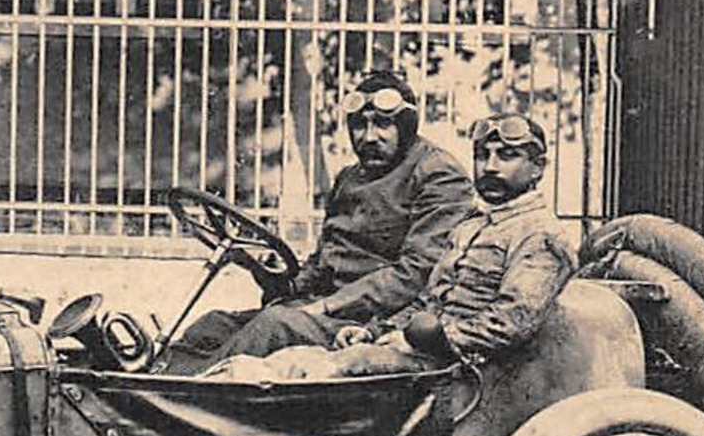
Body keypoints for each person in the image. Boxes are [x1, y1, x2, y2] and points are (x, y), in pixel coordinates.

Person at [208, 113, 578, 382]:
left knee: (332, 368)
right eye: (483, 155)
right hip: (420, 350)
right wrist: (374, 330)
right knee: (289, 361)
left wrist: (433, 338)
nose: (490, 167)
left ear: (537, 168)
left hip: (464, 370)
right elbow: (427, 301)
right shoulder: (471, 227)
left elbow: (512, 323)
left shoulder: (542, 235)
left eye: (507, 156)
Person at [160, 70, 473, 374]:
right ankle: (153, 377)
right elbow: (327, 256)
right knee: (213, 325)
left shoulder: (437, 173)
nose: (369, 137)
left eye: (382, 125)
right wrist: (291, 283)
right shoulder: (349, 177)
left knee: (275, 325)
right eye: (359, 126)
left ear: (406, 126)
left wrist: (323, 308)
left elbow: (416, 272)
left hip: (373, 323)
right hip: (321, 309)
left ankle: (175, 398)